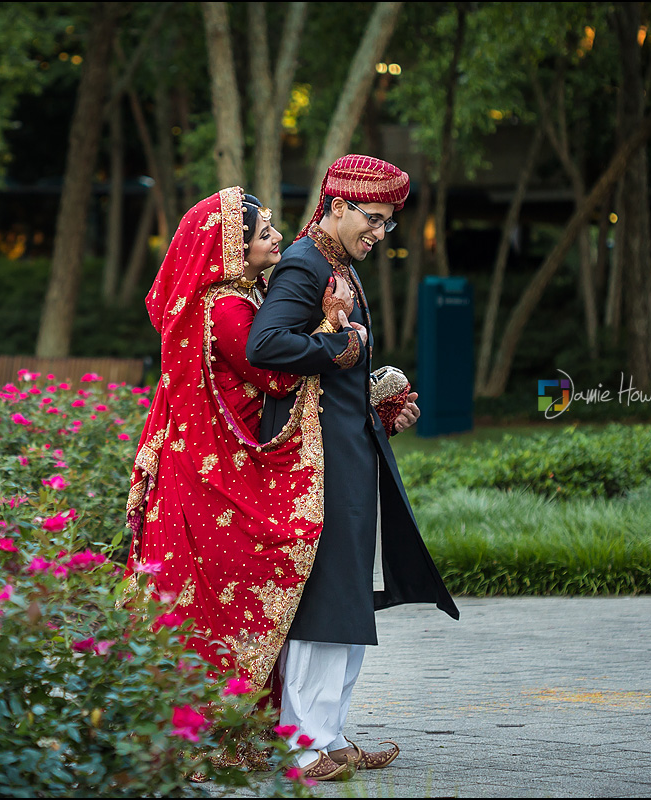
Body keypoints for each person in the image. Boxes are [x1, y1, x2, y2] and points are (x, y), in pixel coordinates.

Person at [124, 186, 356, 779]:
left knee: (205, 600)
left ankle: (233, 730)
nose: (277, 235)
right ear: (232, 244)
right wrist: (337, 333)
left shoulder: (225, 296)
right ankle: (204, 736)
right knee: (225, 596)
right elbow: (274, 379)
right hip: (211, 477)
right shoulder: (225, 307)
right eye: (264, 231)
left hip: (201, 466)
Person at [246, 154, 460, 777]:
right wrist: (342, 346)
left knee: (346, 600)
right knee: (325, 598)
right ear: (338, 205)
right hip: (315, 460)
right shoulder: (304, 264)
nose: (380, 233)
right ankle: (301, 744)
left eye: (389, 223)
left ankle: (330, 737)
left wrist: (379, 402)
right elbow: (266, 344)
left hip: (348, 447)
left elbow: (334, 364)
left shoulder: (335, 262)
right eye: (374, 219)